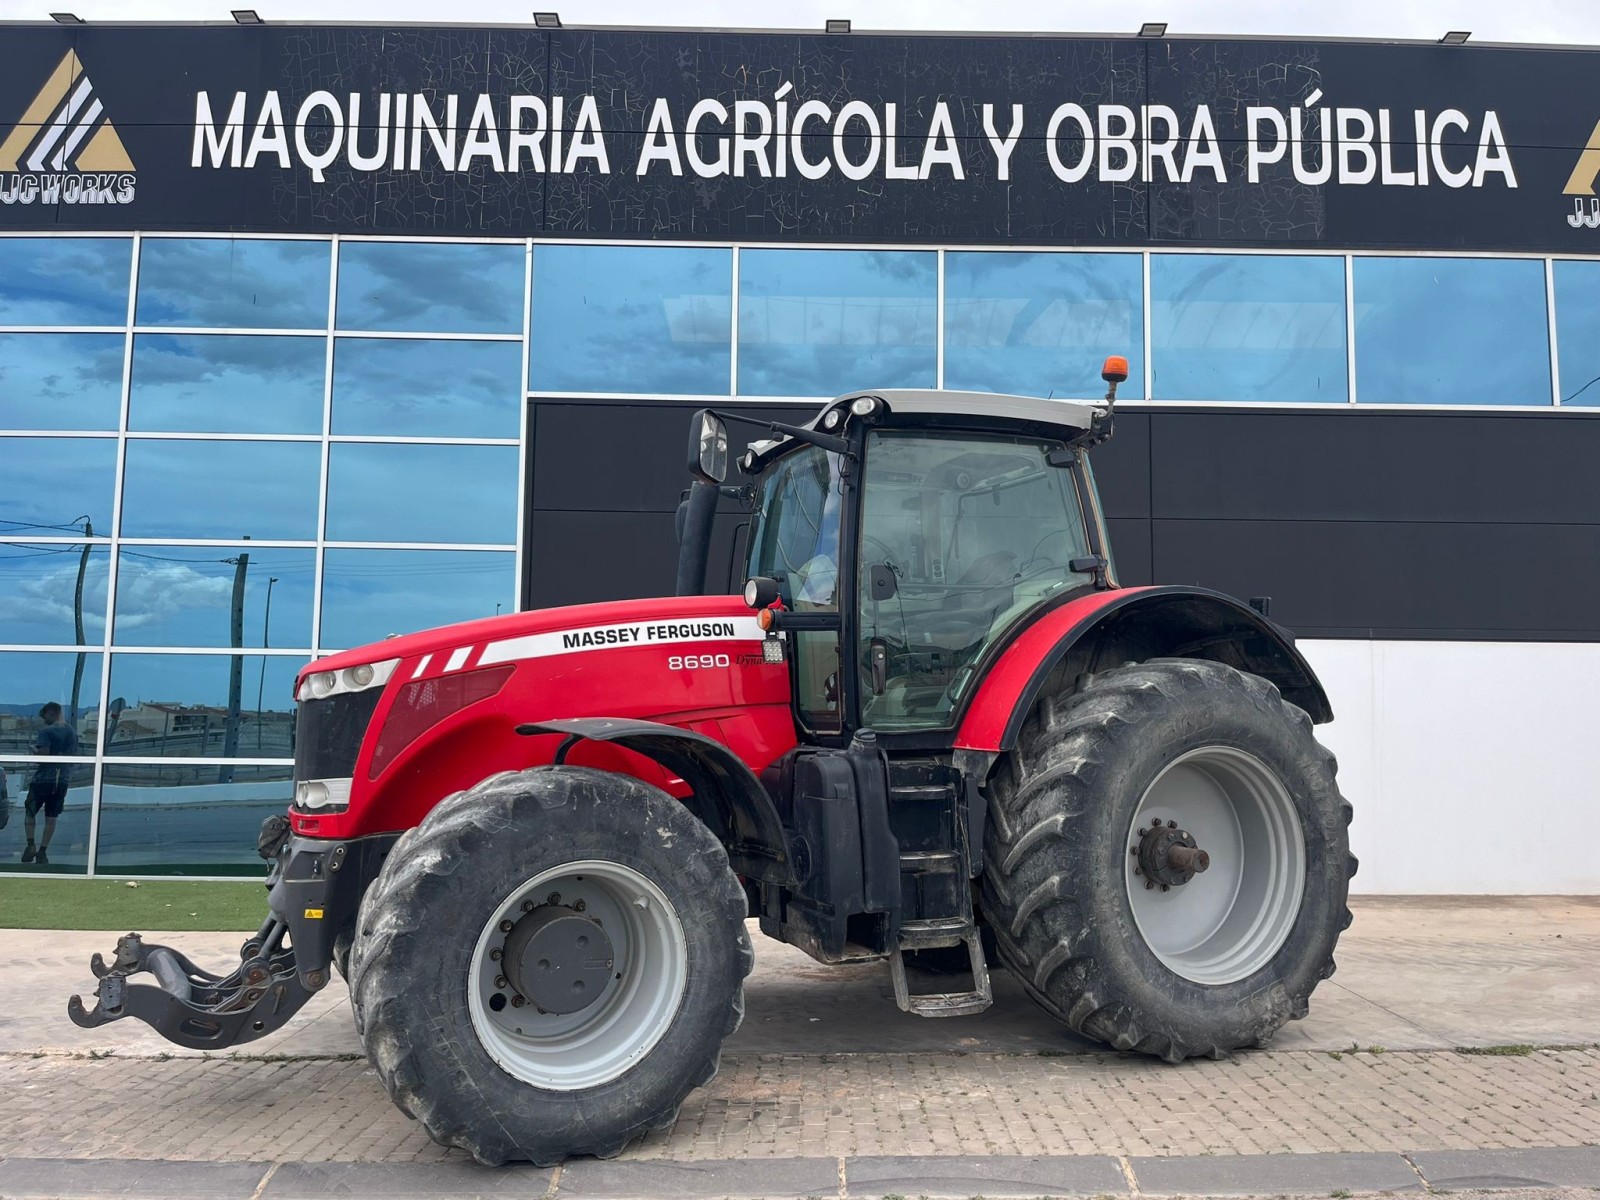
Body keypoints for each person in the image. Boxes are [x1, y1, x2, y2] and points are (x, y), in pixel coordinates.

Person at [23, 701, 77, 866]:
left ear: (51, 713)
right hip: (62, 779)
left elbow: (44, 754)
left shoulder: (46, 731)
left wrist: (34, 751)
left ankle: (31, 844)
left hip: (43, 779)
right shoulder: (72, 732)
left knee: (30, 812)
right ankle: (43, 851)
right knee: (51, 817)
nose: (43, 719)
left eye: (44, 715)